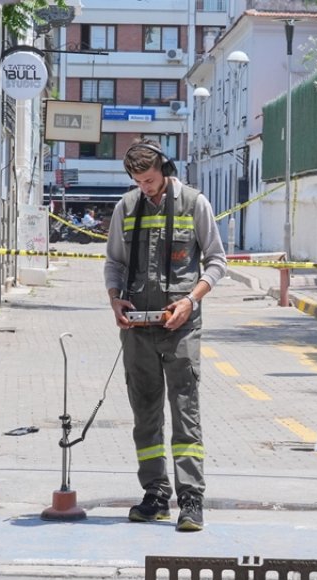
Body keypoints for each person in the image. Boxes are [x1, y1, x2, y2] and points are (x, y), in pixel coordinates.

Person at [104, 138, 227, 532]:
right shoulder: (126, 207)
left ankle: (191, 501)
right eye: (139, 181)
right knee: (145, 415)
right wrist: (114, 300)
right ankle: (155, 496)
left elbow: (217, 261)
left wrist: (191, 300)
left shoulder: (195, 203)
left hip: (181, 327)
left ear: (166, 170)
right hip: (138, 329)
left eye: (151, 179)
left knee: (185, 412)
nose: (146, 187)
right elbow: (114, 262)